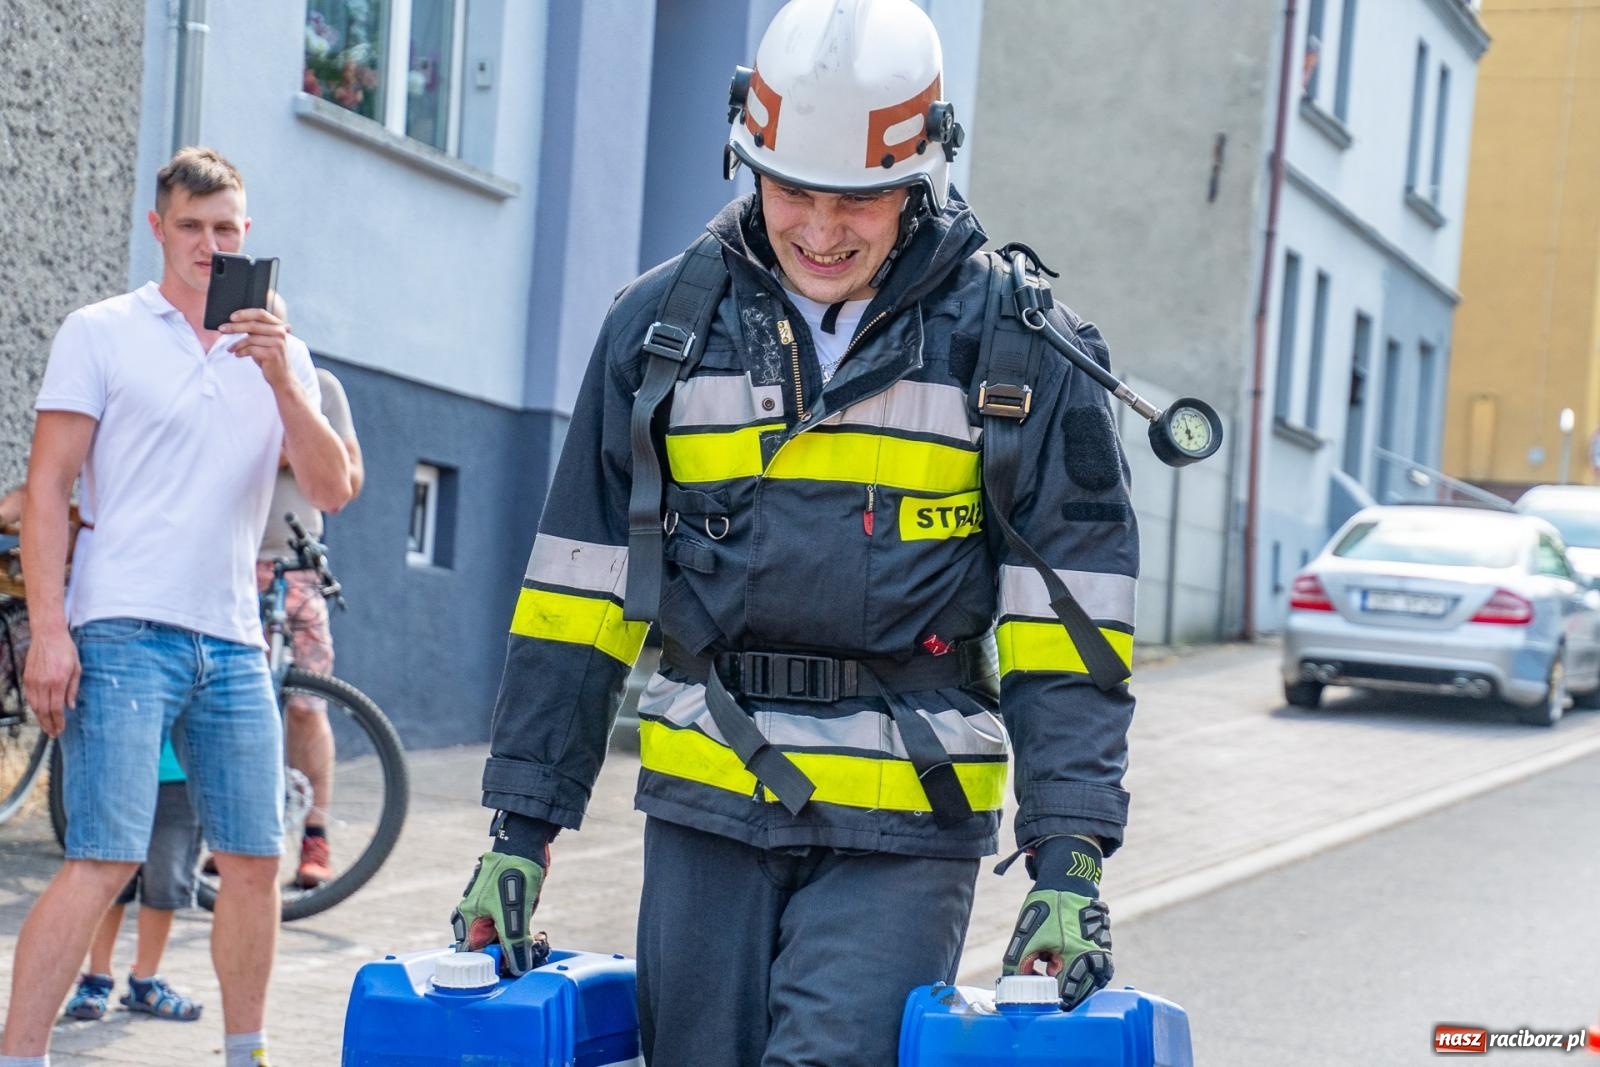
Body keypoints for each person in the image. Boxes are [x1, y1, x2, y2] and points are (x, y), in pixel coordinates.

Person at [451, 2, 1139, 1064]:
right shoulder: (656, 331)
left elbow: (1069, 632)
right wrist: (519, 831)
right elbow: (577, 596)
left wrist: (1069, 859)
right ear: (746, 157)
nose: (820, 229)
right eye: (792, 190)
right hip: (706, 811)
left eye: (857, 198)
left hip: (904, 826)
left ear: (923, 175)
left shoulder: (1019, 351)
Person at [1, 146, 352, 1067]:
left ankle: (247, 1053)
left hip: (234, 642)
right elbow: (47, 489)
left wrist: (281, 377)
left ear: (248, 232)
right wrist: (49, 630)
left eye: (226, 228)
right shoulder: (103, 330)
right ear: (158, 229)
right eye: (191, 227)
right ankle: (21, 1054)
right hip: (118, 629)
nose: (209, 244)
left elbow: (334, 486)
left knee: (254, 862)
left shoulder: (283, 351)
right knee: (105, 860)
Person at [254, 297, 364, 889]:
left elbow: (349, 471)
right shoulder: (224, 378)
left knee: (306, 703)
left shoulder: (317, 382)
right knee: (233, 701)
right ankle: (233, 835)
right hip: (234, 565)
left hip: (296, 565)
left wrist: (284, 449)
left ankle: (315, 835)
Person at [63, 738, 205, 1024]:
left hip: (180, 772)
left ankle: (146, 979)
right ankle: (97, 976)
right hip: (118, 765)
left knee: (166, 882)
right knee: (108, 878)